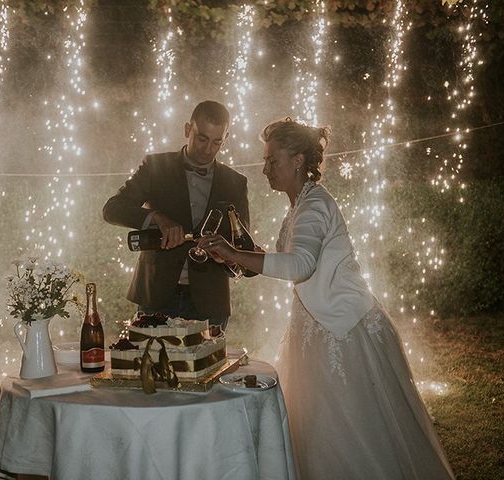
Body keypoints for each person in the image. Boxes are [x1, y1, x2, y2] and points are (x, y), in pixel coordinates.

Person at [199, 118, 455, 479]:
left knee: (349, 431)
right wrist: (232, 255)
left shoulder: (315, 204)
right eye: (266, 160)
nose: (265, 169)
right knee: (312, 428)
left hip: (344, 329)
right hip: (312, 327)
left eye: (273, 160)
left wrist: (237, 254)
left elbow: (300, 265)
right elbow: (287, 261)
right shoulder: (298, 206)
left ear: (299, 160)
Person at [103, 100, 249, 331]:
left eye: (217, 142)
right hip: (156, 296)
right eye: (202, 138)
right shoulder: (154, 166)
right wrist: (156, 218)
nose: (208, 149)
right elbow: (112, 209)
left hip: (210, 302)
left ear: (226, 138)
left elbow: (241, 247)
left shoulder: (236, 183)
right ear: (187, 130)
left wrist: (228, 258)